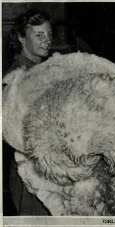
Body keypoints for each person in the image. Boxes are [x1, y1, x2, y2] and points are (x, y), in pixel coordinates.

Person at [3, 8, 53, 215]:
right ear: (22, 38)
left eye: (49, 34)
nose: (47, 40)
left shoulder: (45, 72)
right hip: (29, 173)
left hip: (48, 168)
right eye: (39, 35)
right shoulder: (15, 78)